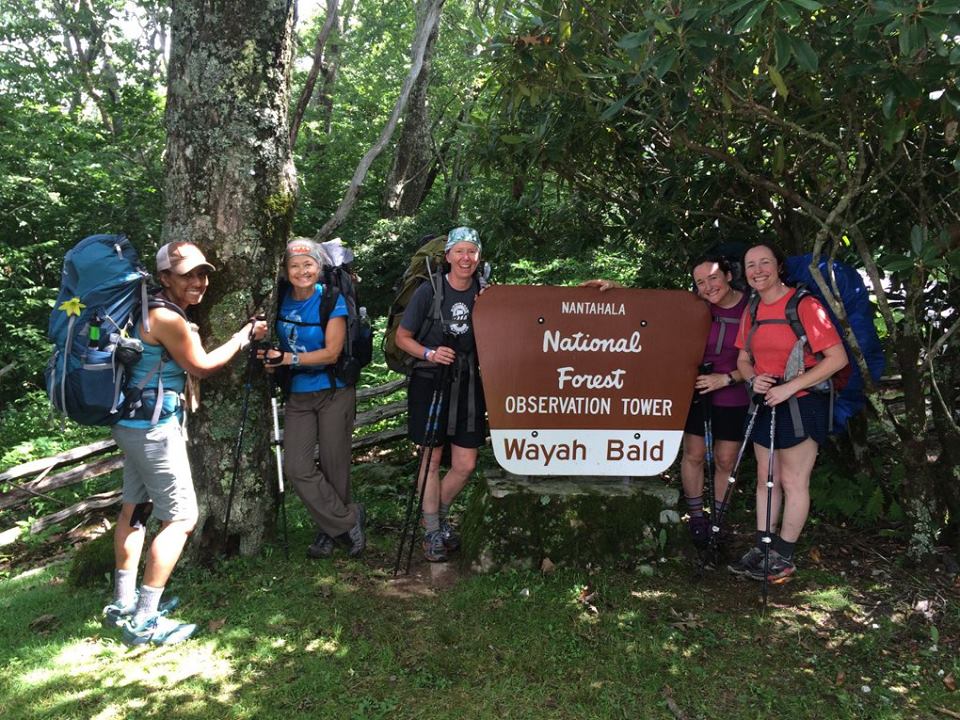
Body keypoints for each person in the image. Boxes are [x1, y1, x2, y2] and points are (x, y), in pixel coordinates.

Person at [106, 241, 267, 646]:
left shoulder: (141, 307)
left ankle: (122, 605)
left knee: (136, 509)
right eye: (187, 275)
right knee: (181, 519)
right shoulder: (167, 318)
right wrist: (244, 336)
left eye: (203, 273)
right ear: (164, 278)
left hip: (130, 422)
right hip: (156, 429)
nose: (199, 282)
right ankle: (144, 619)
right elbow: (203, 366)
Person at [729, 242, 847, 581]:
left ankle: (784, 555)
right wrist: (754, 380)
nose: (757, 270)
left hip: (803, 402)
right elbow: (742, 358)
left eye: (765, 262)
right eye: (751, 265)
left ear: (779, 266)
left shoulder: (804, 305)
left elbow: (836, 359)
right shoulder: (751, 309)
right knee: (767, 481)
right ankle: (763, 547)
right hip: (766, 402)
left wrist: (789, 386)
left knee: (793, 480)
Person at [260, 238, 365, 560]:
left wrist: (285, 360)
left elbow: (332, 352)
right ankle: (348, 521)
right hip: (299, 395)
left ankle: (328, 532)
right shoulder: (279, 300)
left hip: (334, 390)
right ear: (285, 270)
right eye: (295, 265)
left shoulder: (330, 299)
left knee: (335, 466)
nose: (302, 271)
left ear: (319, 268)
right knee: (296, 466)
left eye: (308, 265)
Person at [396, 226, 486, 563]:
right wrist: (430, 353)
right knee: (430, 458)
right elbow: (403, 337)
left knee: (465, 463)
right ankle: (433, 531)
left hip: (468, 384)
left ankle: (436, 517)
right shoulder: (428, 291)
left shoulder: (485, 290)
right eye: (459, 251)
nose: (466, 258)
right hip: (430, 380)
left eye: (472, 252)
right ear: (447, 255)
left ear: (479, 257)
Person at [680, 255, 750, 553]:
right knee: (694, 454)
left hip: (735, 392)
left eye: (712, 278)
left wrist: (727, 379)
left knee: (725, 460)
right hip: (696, 390)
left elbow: (763, 356)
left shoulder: (752, 307)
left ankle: (718, 521)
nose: (708, 287)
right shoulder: (694, 308)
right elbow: (651, 313)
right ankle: (697, 519)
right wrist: (613, 289)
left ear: (728, 276)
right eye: (700, 282)